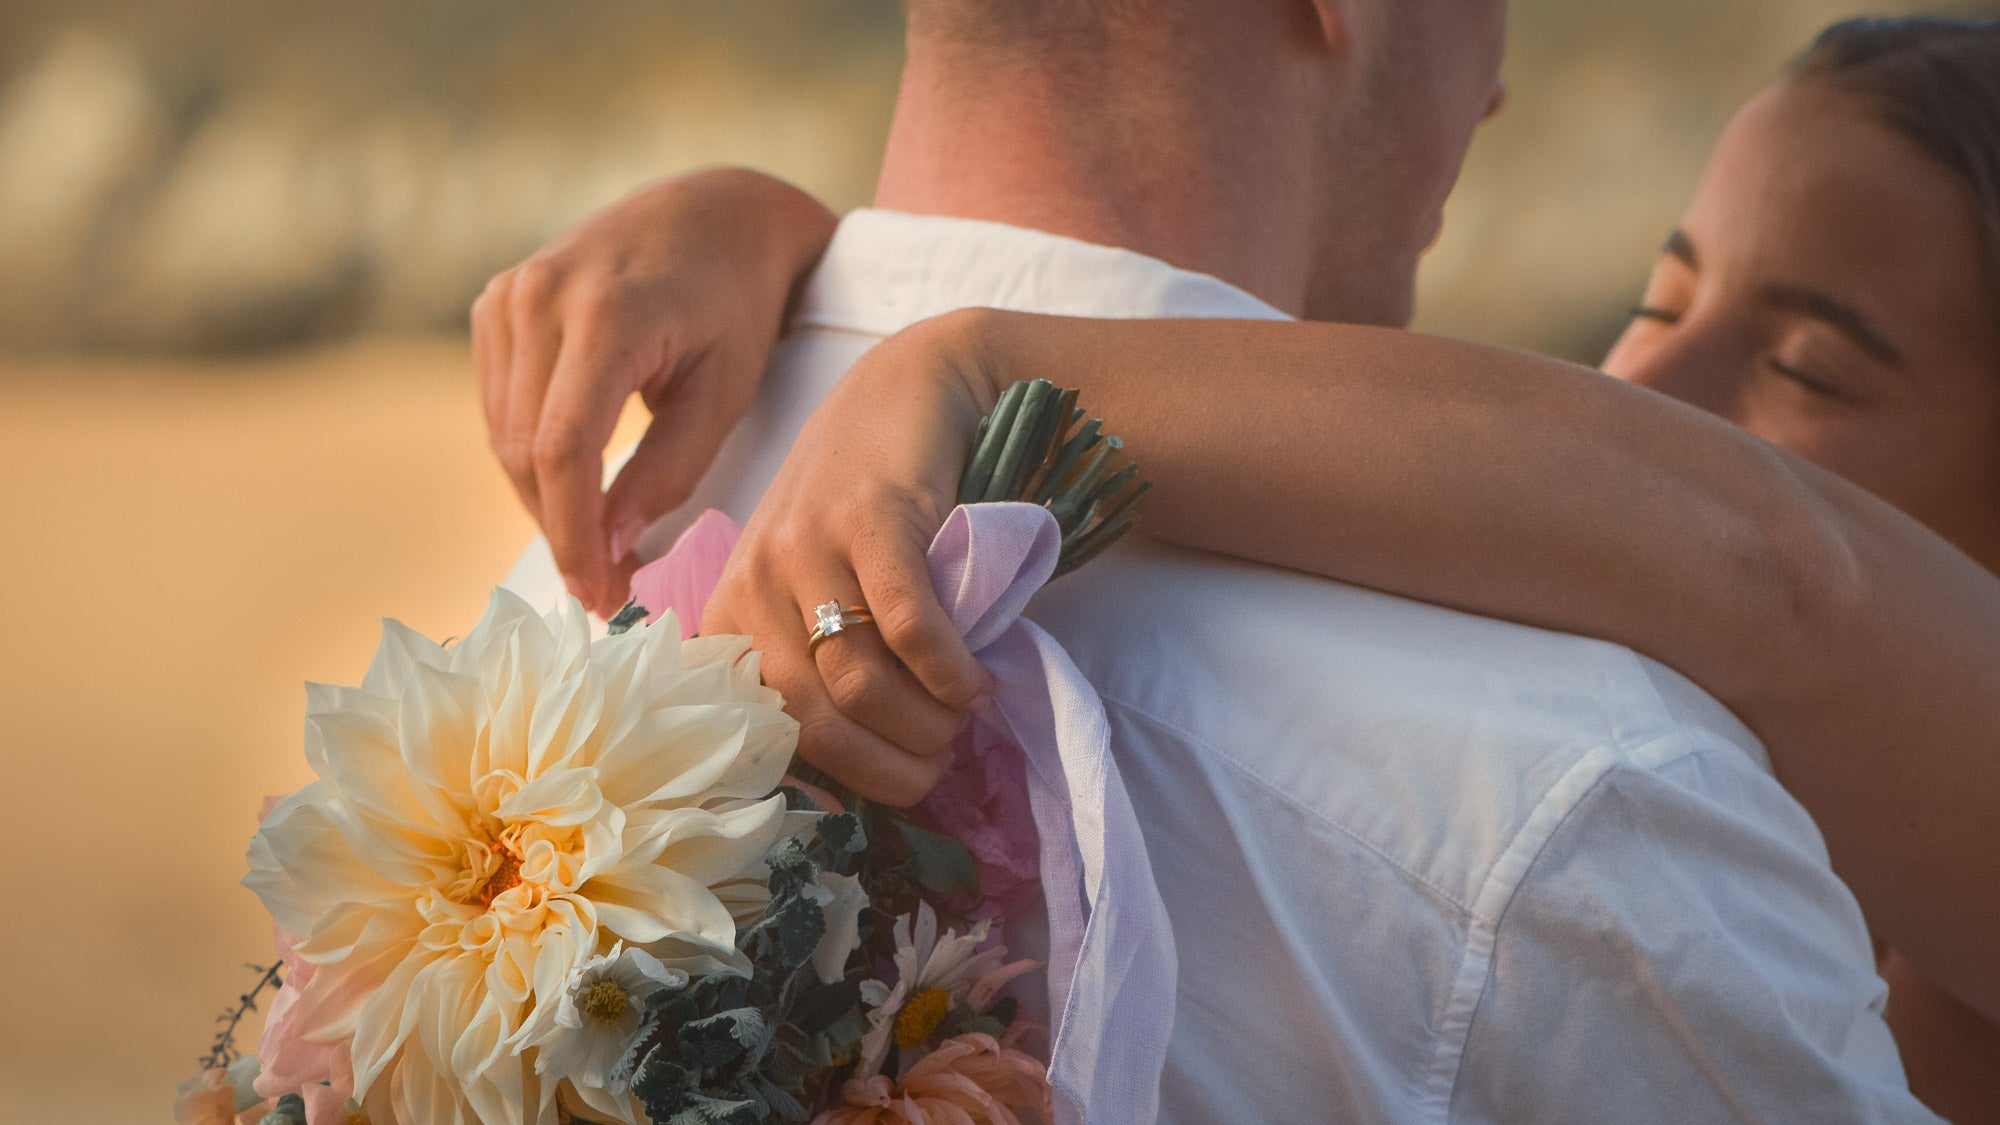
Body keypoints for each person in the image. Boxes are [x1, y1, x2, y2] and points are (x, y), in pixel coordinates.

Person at [487, 2, 1942, 1119]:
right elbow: (1788, 569)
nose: (1497, 81)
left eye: (1813, 360)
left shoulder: (532, 634)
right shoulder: (1592, 812)